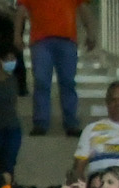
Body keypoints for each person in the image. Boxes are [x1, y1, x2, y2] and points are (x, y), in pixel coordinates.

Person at [26, 0, 87, 135]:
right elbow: (22, 9)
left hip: (67, 39)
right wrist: (17, 35)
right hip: (40, 40)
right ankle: (40, 123)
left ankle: (71, 123)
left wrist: (90, 32)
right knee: (41, 82)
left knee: (68, 82)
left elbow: (82, 7)